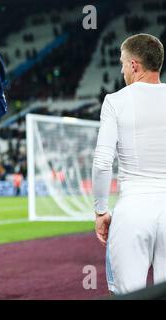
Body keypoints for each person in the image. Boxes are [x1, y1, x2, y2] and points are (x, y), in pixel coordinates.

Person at [92, 33, 166, 295]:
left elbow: (102, 163)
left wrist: (101, 211)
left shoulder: (116, 101)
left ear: (134, 65)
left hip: (134, 210)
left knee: (128, 296)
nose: (122, 69)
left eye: (122, 63)